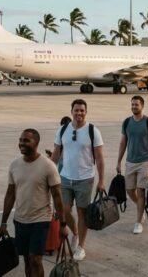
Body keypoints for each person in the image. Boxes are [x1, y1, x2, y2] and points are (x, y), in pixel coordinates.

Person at [0, 129, 66, 277]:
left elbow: (57, 196)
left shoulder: (48, 166)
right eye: (20, 140)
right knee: (27, 261)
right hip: (20, 220)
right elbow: (10, 194)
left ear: (36, 143)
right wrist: (3, 222)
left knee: (35, 259)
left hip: (40, 220)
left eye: (26, 141)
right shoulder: (14, 165)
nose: (21, 144)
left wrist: (63, 224)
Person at [50, 99, 105, 261]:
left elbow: (100, 158)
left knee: (82, 213)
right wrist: (47, 171)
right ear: (71, 111)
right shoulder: (62, 130)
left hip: (85, 179)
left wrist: (101, 180)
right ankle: (75, 233)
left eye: (82, 110)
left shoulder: (93, 131)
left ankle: (81, 246)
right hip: (65, 178)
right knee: (64, 211)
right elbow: (56, 153)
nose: (79, 113)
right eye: (76, 110)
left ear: (86, 112)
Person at [116, 95, 148, 234]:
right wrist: (118, 161)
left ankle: (138, 221)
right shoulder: (127, 122)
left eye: (137, 104)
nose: (134, 106)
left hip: (144, 162)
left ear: (142, 106)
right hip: (130, 162)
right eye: (133, 104)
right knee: (130, 190)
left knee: (141, 191)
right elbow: (123, 142)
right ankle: (142, 206)